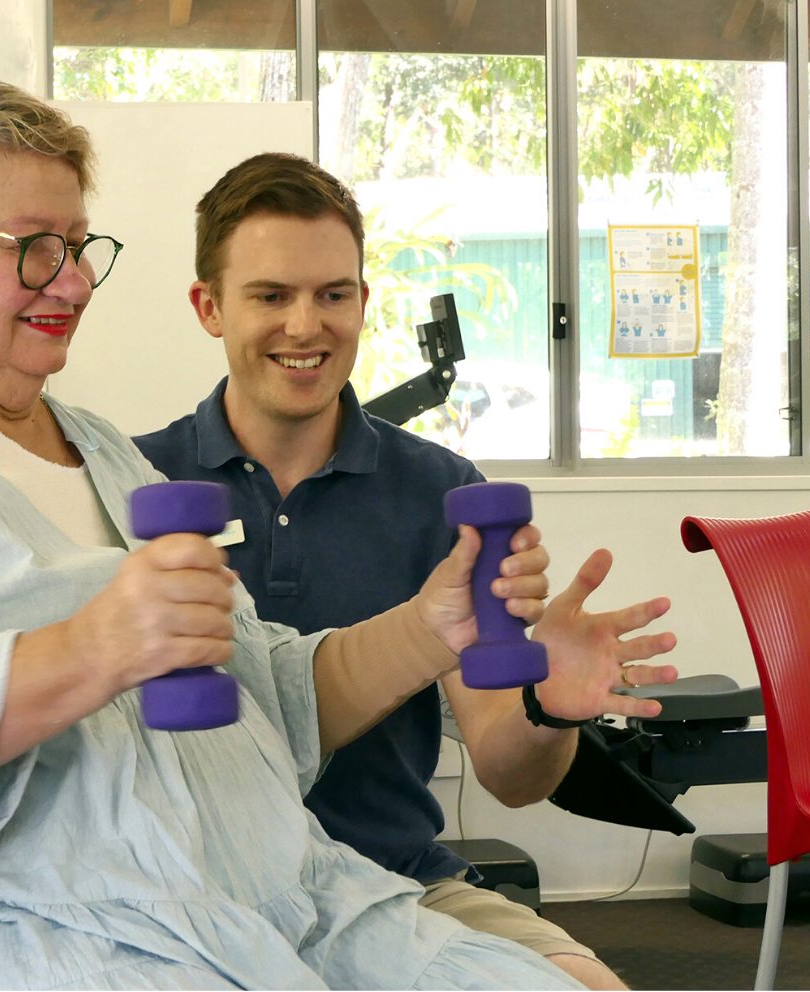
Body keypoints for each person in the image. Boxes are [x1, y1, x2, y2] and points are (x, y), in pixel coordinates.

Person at [0, 71, 654, 991]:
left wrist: (432, 626)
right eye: (31, 245)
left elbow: (260, 694)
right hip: (64, 932)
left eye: (78, 246)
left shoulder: (102, 453)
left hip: (288, 896)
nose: (69, 282)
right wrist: (88, 648)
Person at [134, 153, 679, 991]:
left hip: (402, 883)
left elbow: (509, 770)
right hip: (196, 892)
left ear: (361, 299)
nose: (306, 326)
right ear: (209, 307)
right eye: (271, 296)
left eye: (333, 294)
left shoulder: (445, 495)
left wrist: (546, 709)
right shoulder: (135, 485)